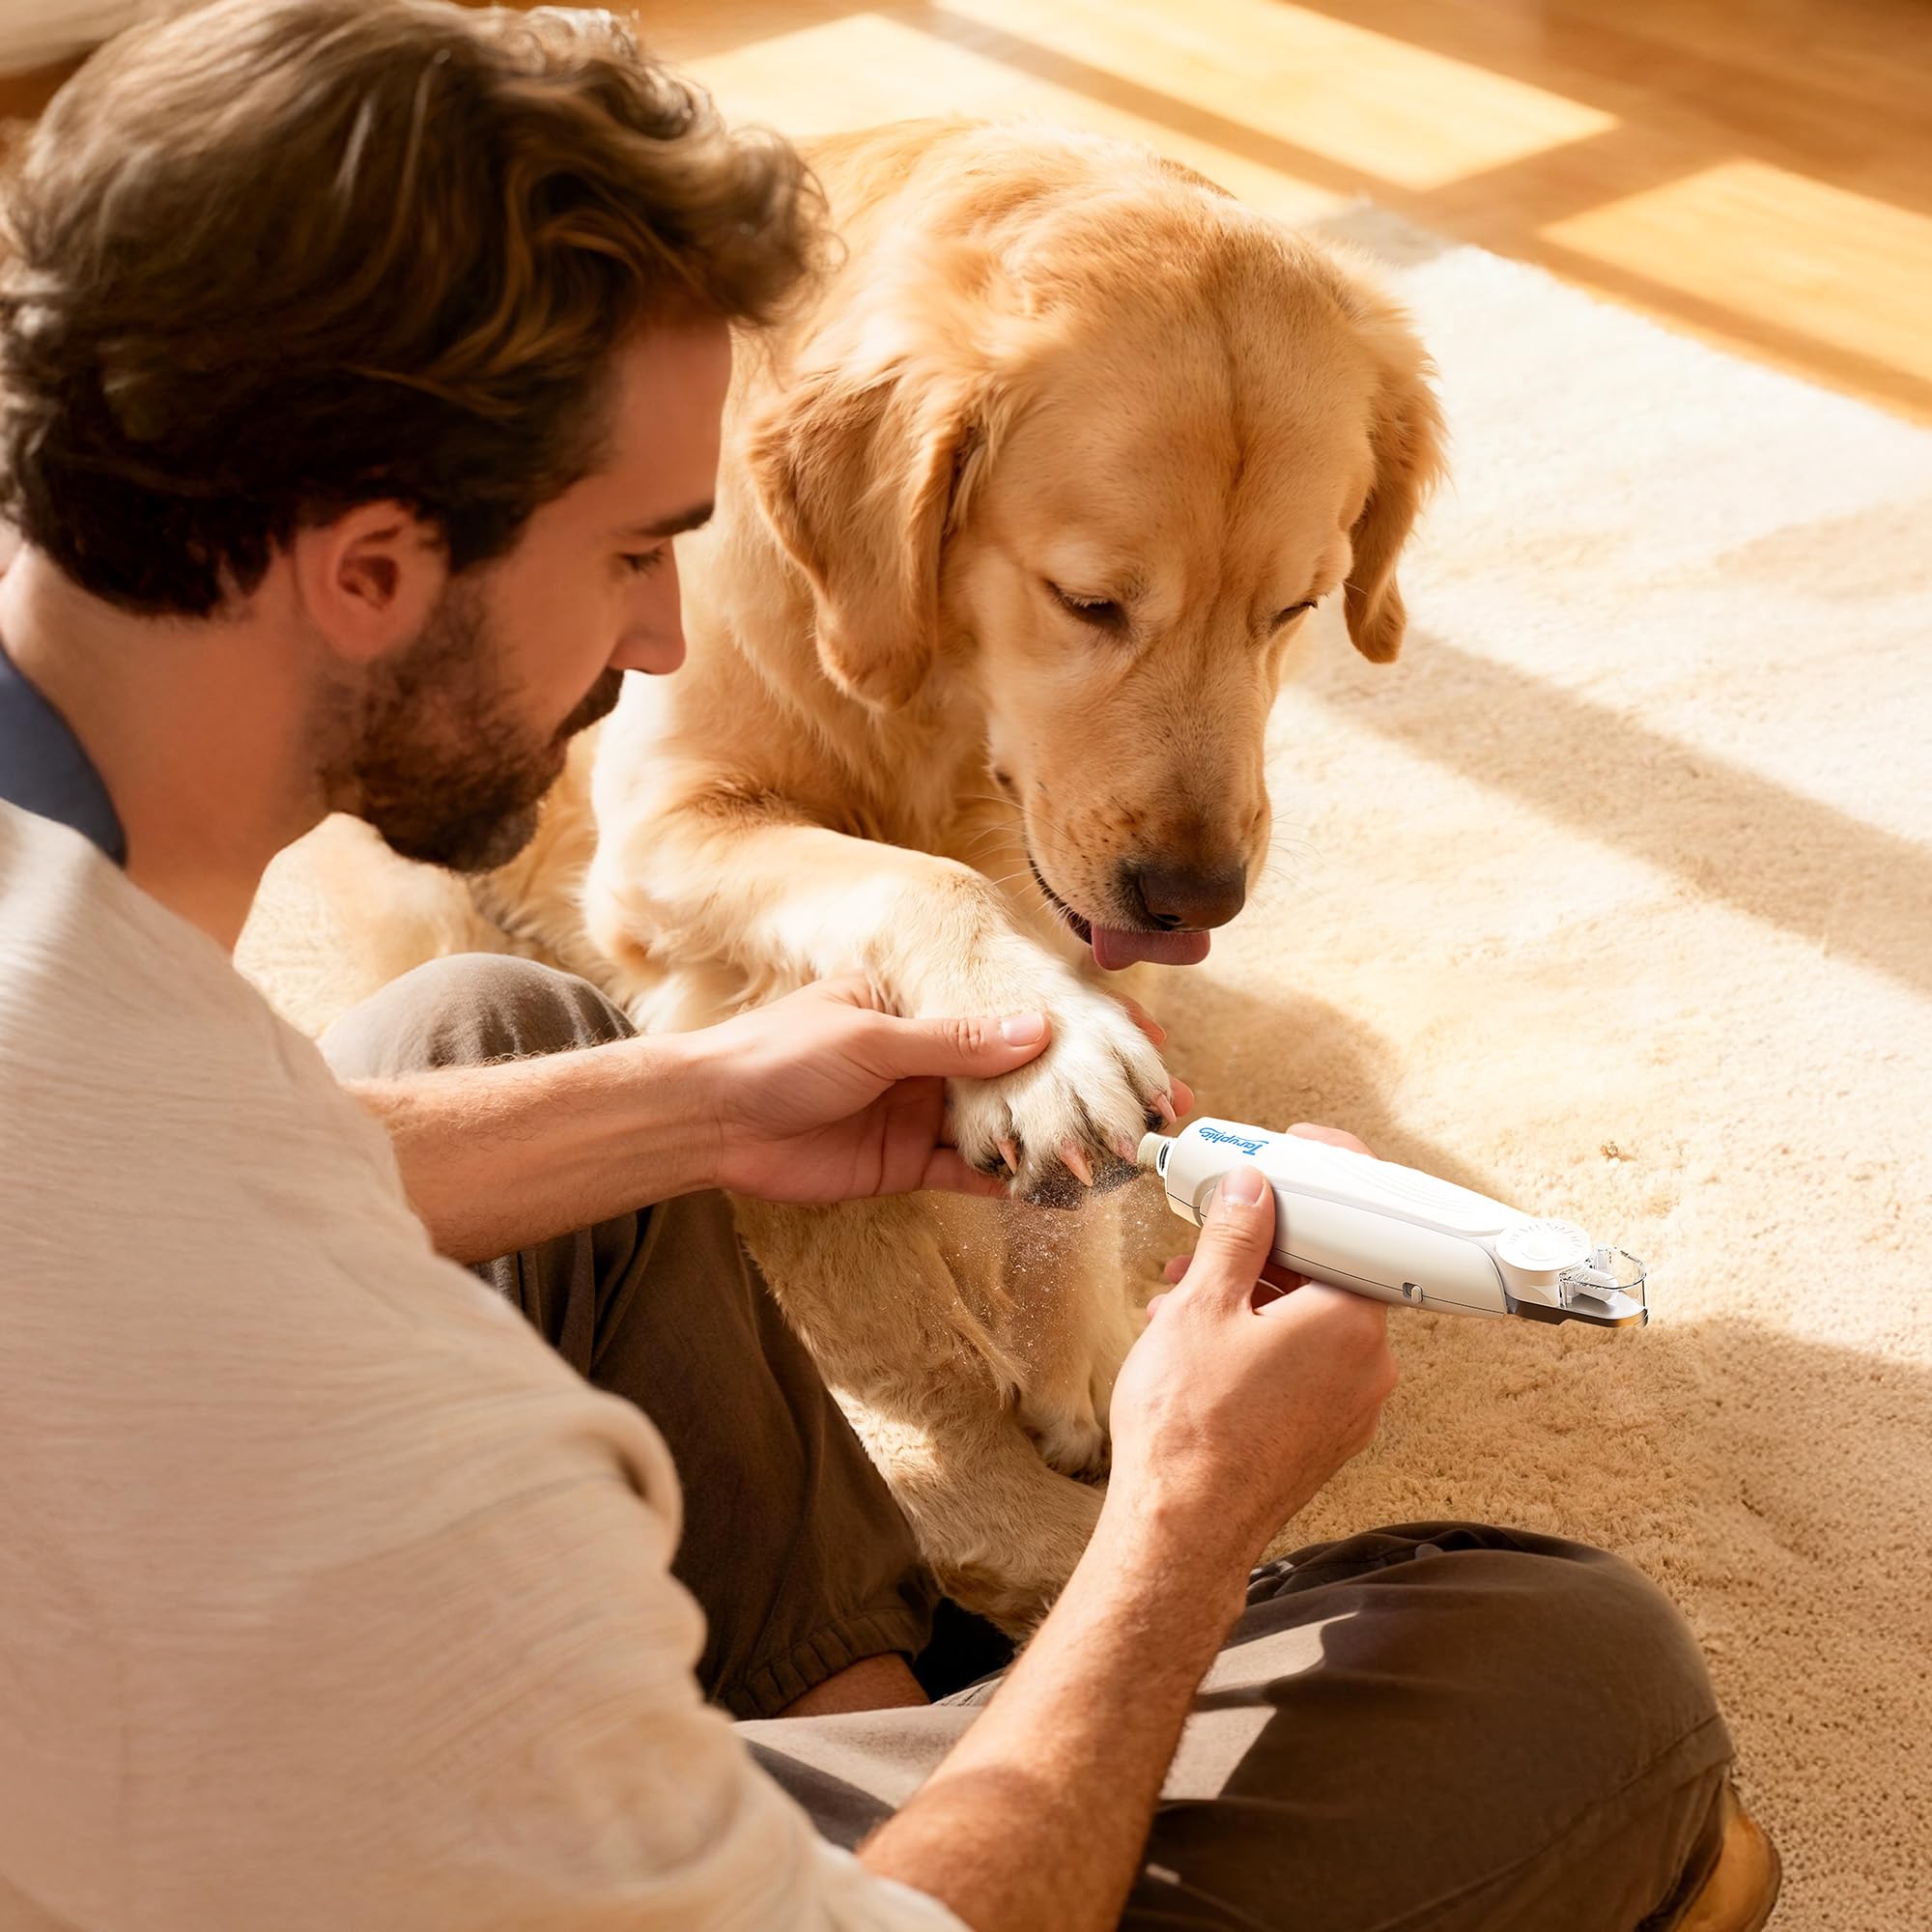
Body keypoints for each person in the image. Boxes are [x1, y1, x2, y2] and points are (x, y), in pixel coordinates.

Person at [0, 2, 1778, 1927]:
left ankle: (878, 1709)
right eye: (629, 553)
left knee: (497, 1026)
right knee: (1572, 1668)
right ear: (368, 570)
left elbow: (161, 1176)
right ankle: (942, 1774)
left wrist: (702, 1094)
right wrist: (1178, 1528)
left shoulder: (77, 985)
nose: (671, 646)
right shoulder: (450, 1482)